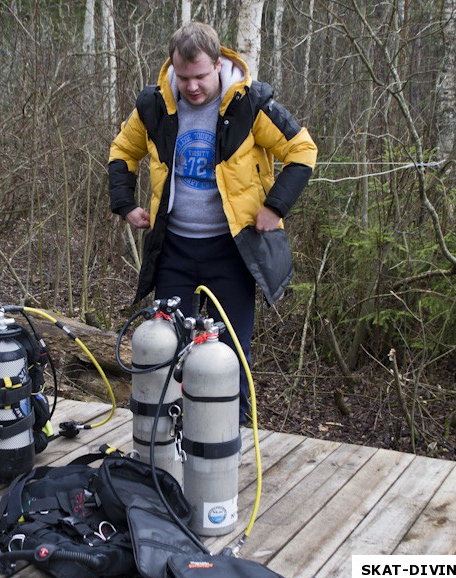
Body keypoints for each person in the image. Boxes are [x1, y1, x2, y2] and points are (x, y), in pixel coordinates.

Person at [108, 22, 317, 424]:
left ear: (218, 64)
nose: (193, 87)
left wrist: (275, 207)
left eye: (201, 76)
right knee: (170, 349)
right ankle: (171, 436)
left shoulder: (250, 104)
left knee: (231, 352)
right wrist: (123, 203)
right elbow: (123, 149)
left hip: (231, 249)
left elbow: (302, 150)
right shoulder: (155, 105)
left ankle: (230, 437)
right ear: (173, 69)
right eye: (184, 77)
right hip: (174, 249)